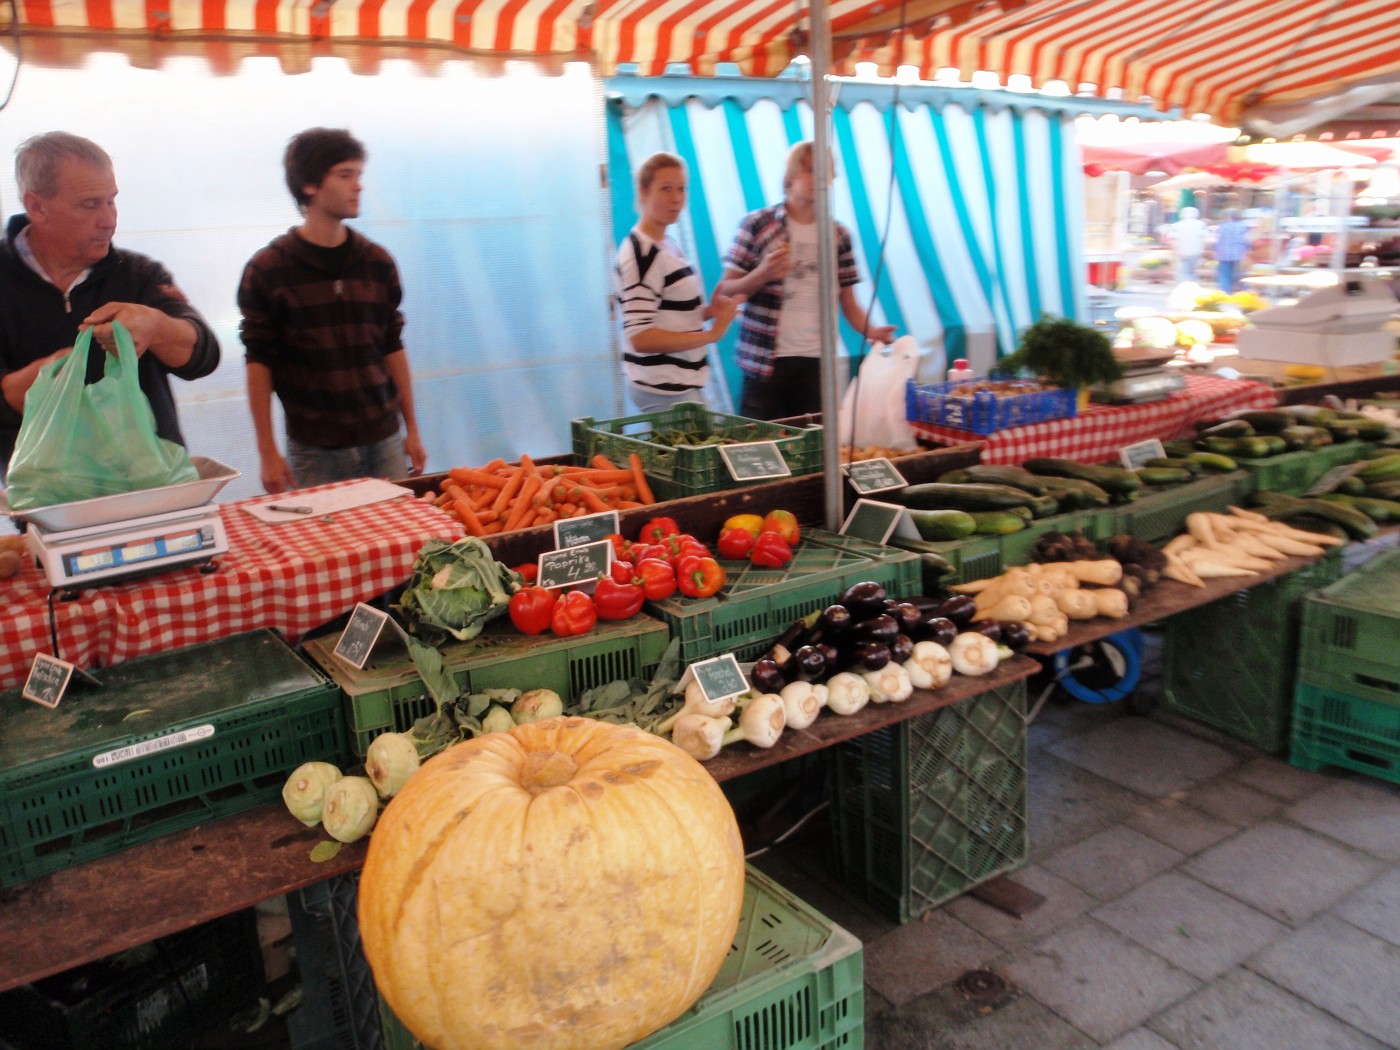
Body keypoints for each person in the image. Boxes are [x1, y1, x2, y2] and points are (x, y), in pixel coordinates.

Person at [0, 132, 221, 476]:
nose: (109, 220)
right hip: (46, 498)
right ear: (36, 207)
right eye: (90, 204)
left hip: (149, 483)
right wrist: (46, 379)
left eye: (112, 201)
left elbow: (203, 357)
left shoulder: (138, 274)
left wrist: (155, 326)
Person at [239, 128, 426, 493]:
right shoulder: (268, 270)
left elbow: (392, 347)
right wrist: (267, 451)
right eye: (345, 175)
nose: (358, 186)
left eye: (359, 175)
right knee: (324, 544)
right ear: (310, 184)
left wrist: (413, 429)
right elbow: (258, 362)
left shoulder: (377, 262)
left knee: (398, 540)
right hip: (315, 451)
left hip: (385, 440)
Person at [715, 141, 896, 421]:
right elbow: (725, 290)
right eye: (811, 170)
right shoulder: (757, 224)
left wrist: (872, 331)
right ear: (790, 177)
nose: (819, 179)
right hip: (764, 361)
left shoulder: (839, 235)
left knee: (813, 455)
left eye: (826, 172)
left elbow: (848, 302)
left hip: (818, 362)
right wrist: (762, 273)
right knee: (761, 455)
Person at [613, 152, 741, 413]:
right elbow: (641, 337)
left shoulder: (666, 244)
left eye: (681, 189)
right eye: (666, 189)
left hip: (678, 387)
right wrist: (712, 334)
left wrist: (707, 313)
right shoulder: (642, 254)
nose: (676, 199)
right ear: (643, 191)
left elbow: (667, 315)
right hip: (663, 390)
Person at [1212, 209, 1252, 294]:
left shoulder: (1222, 227)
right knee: (1239, 274)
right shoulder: (1243, 227)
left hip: (1224, 254)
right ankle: (1244, 292)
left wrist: (1215, 251)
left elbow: (1217, 240)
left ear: (1229, 217)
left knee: (1224, 274)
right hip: (1239, 254)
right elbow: (1247, 241)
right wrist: (1247, 250)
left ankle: (1225, 293)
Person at [1166, 205, 1208, 283]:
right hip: (1196, 251)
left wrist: (1174, 250)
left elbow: (1172, 239)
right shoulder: (1200, 224)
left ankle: (1184, 286)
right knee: (1193, 270)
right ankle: (1193, 284)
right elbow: (1204, 238)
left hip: (1182, 251)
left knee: (1183, 271)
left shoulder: (1177, 225)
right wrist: (1203, 249)